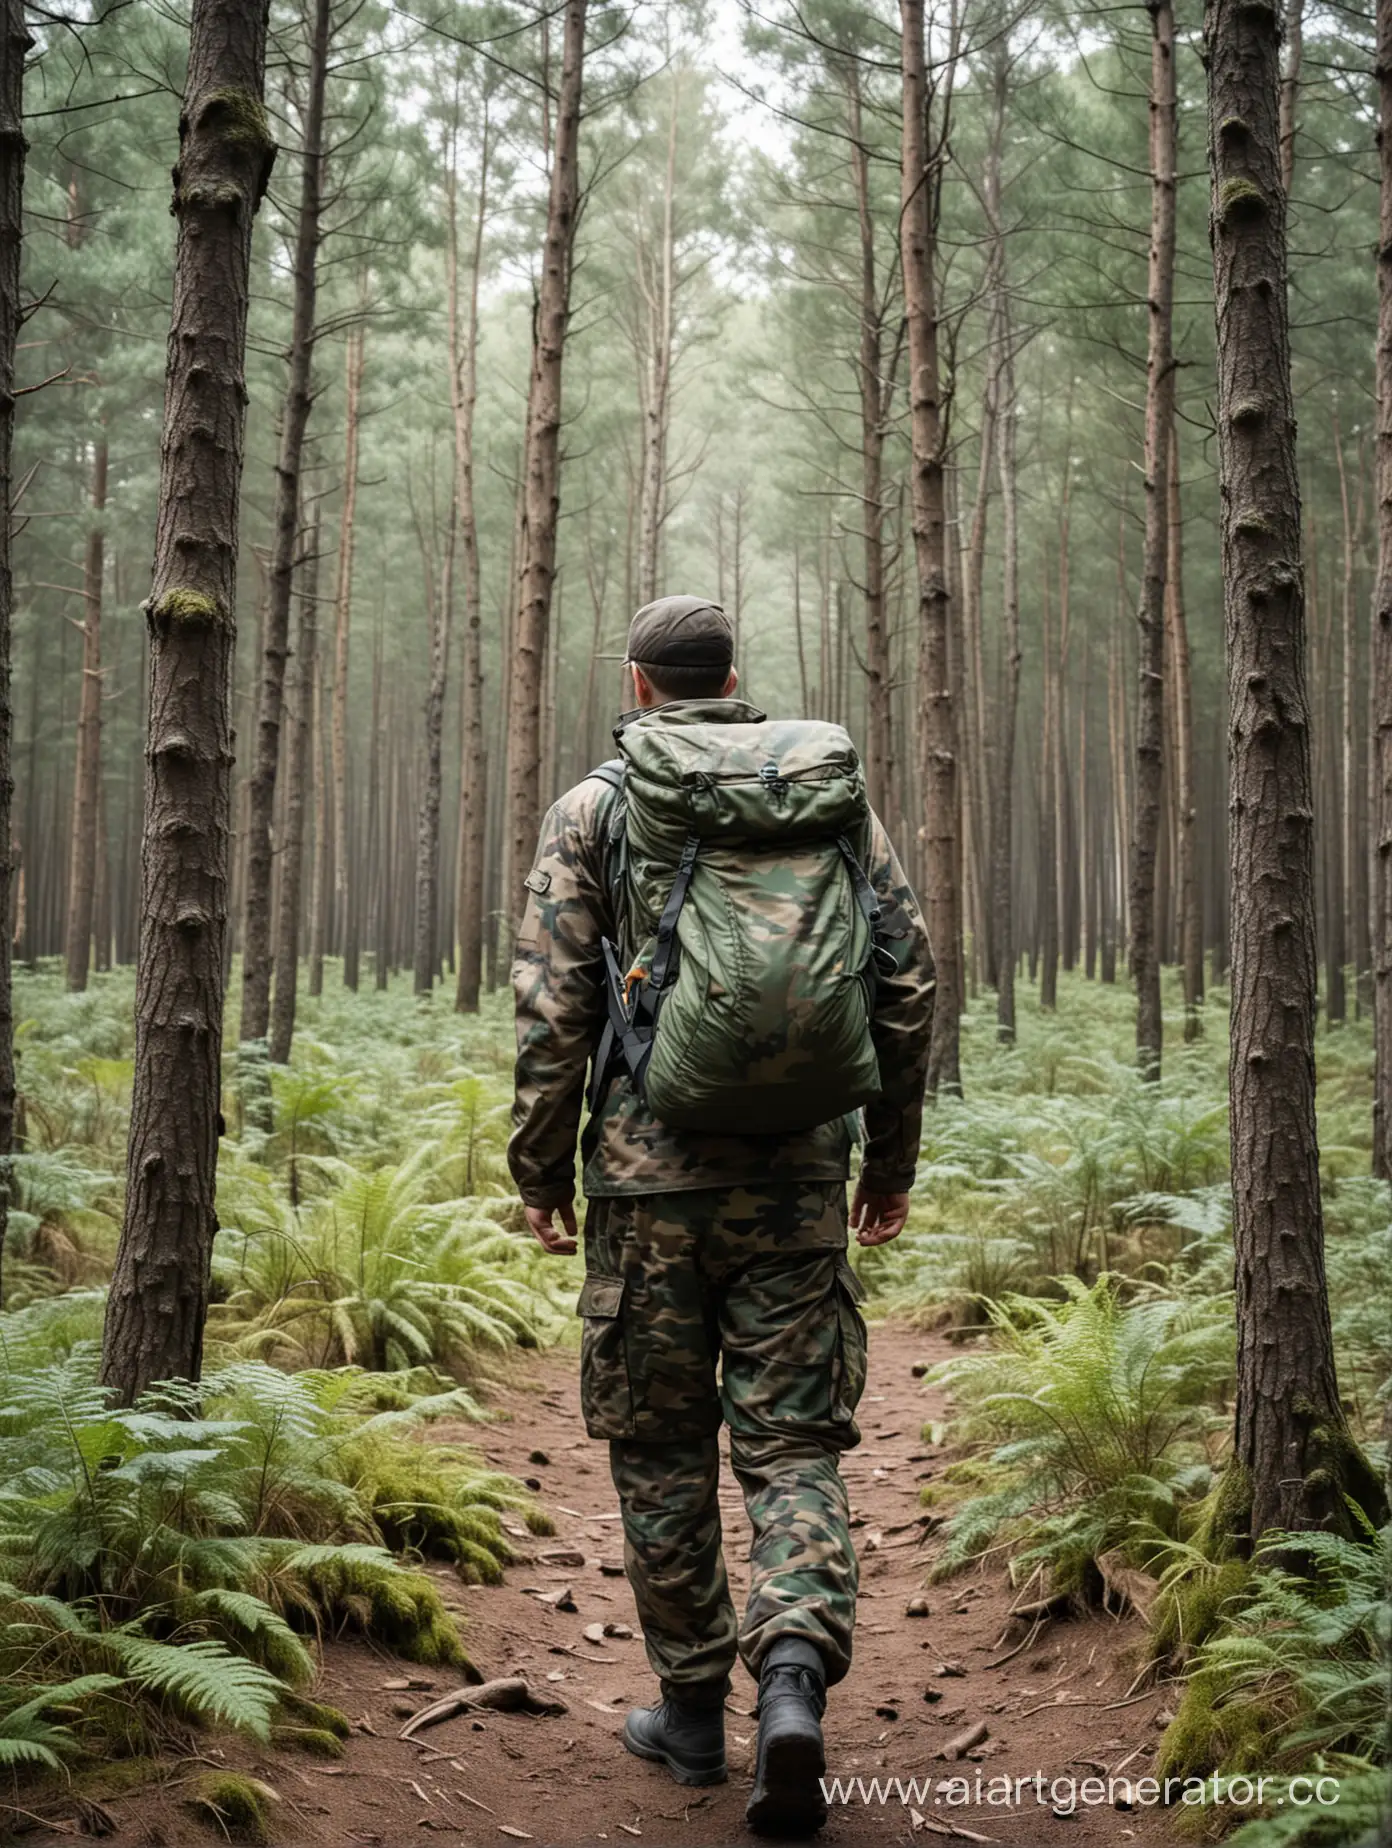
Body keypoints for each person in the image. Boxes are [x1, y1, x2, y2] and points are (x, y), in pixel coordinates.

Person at [508, 594, 935, 1836]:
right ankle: (793, 1681)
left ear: (641, 687)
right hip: (800, 1175)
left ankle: (693, 1713)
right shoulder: (830, 799)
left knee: (659, 1449)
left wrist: (540, 1170)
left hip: (648, 1187)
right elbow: (904, 979)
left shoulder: (597, 807)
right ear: (732, 678)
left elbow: (552, 1009)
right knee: (792, 1444)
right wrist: (889, 1161)